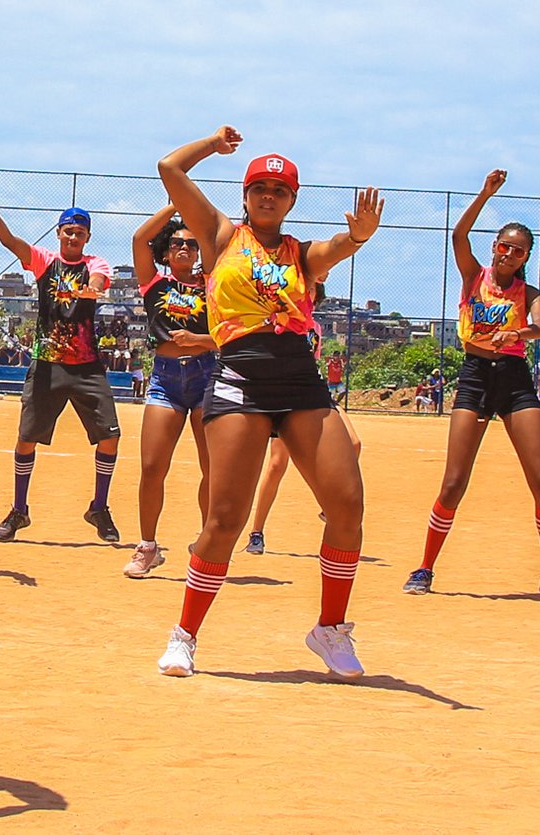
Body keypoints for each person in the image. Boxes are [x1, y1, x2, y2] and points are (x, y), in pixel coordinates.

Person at [154, 130, 381, 678]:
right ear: (246, 194)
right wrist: (213, 143)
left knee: (347, 504)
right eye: (260, 188)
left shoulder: (300, 253)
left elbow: (334, 249)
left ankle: (330, 630)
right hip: (240, 377)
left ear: (292, 199)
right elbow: (169, 168)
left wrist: (357, 237)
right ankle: (184, 636)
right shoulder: (220, 235)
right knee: (225, 518)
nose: (269, 196)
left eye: (280, 190)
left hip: (299, 381)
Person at [402, 170, 540, 598]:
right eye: (504, 246)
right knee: (454, 482)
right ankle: (424, 568)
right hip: (475, 376)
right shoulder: (475, 277)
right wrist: (485, 194)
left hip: (514, 380)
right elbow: (458, 235)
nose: (509, 254)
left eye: (518, 250)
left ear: (525, 257)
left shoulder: (529, 293)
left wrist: (518, 333)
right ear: (495, 246)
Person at [0, 178, 121, 544]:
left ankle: (99, 507)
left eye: (80, 233)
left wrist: (93, 290)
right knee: (26, 438)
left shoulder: (95, 263)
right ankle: (18, 510)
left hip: (87, 366)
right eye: (68, 231)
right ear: (58, 233)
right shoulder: (45, 262)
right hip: (47, 364)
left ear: (87, 237)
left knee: (110, 437)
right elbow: (9, 241)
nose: (73, 237)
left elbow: (99, 280)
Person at [124, 207, 215, 578]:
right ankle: (148, 547)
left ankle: (208, 544)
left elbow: (229, 334)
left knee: (213, 467)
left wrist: (198, 340)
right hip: (165, 378)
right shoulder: (155, 283)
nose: (184, 248)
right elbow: (138, 239)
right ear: (165, 251)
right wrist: (177, 205)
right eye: (177, 242)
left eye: (192, 244)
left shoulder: (211, 283)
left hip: (207, 374)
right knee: (152, 466)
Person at [244, 279, 363, 556]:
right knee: (277, 464)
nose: (306, 294)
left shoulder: (315, 328)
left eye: (311, 291)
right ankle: (256, 532)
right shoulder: (279, 320)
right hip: (283, 392)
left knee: (353, 443)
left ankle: (327, 507)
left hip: (311, 390)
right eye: (304, 289)